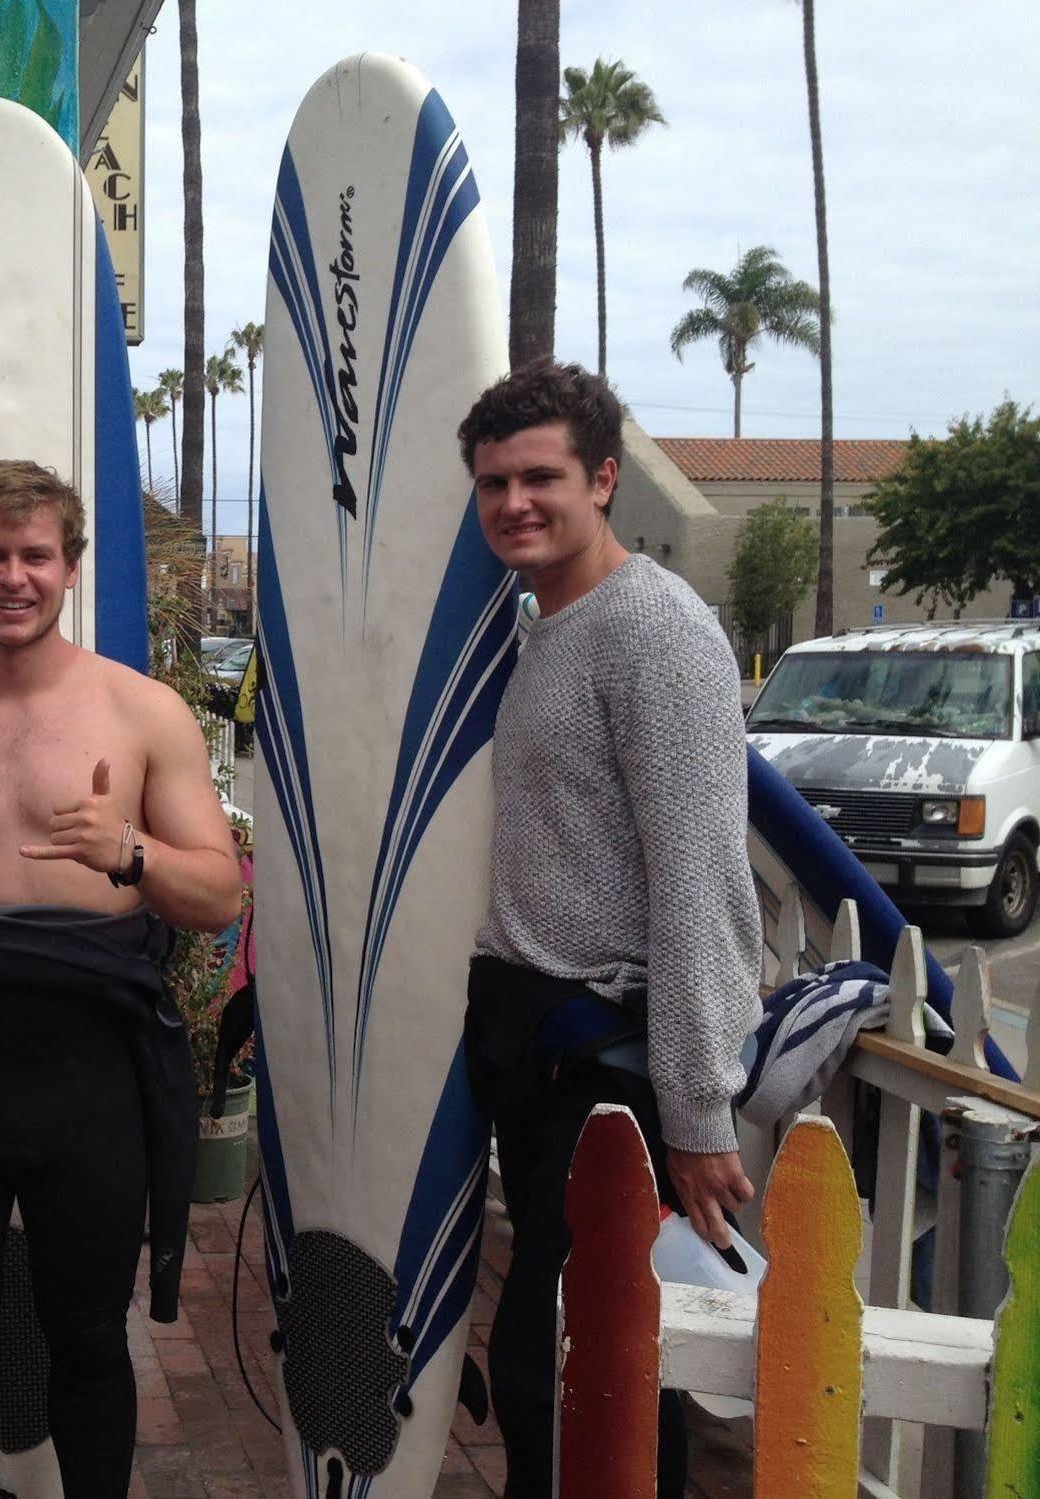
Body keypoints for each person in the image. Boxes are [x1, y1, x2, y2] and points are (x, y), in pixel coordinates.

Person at [0, 460, 241, 1499]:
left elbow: (218, 893)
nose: (12, 575)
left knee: (85, 1334)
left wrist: (132, 852)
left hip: (88, 1070)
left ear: (69, 567)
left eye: (35, 555)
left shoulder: (143, 711)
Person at [457, 363, 761, 1498]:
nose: (514, 502)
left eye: (540, 476)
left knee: (593, 1372)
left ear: (601, 478)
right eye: (493, 482)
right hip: (540, 1057)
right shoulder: (542, 628)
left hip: (615, 1071)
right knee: (568, 1362)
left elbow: (698, 881)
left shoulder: (655, 631)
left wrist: (692, 1108)